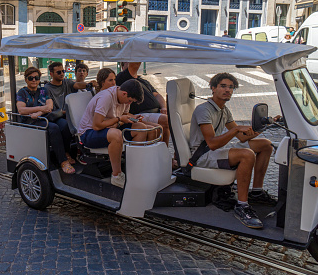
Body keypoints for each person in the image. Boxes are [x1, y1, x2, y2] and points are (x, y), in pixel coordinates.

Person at [190, 73, 276, 229]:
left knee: (265, 145)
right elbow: (212, 143)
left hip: (218, 150)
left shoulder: (224, 110)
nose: (227, 90)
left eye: (231, 87)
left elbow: (243, 138)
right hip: (203, 155)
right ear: (213, 88)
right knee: (247, 155)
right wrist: (236, 129)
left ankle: (256, 192)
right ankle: (242, 206)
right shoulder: (204, 110)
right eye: (223, 86)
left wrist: (265, 126)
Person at [78, 79, 157, 188]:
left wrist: (132, 118)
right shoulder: (106, 97)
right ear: (124, 94)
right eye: (130, 101)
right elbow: (96, 125)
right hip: (88, 133)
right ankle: (117, 175)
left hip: (109, 127)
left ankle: (133, 169)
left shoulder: (124, 98)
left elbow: (122, 116)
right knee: (116, 135)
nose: (129, 103)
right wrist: (119, 119)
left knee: (142, 128)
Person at [16, 67, 75, 174]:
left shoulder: (43, 90)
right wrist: (41, 108)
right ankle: (63, 161)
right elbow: (21, 110)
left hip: (44, 117)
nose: (34, 80)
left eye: (36, 78)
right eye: (31, 78)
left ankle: (66, 152)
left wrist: (39, 112)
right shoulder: (22, 92)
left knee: (65, 125)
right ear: (26, 79)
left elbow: (49, 107)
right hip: (30, 121)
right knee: (54, 128)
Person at [116, 62, 170, 145]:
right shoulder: (123, 79)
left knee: (167, 119)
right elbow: (134, 65)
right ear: (123, 67)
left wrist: (163, 107)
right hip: (141, 114)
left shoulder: (143, 81)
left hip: (155, 112)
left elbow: (157, 95)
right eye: (128, 62)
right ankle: (159, 152)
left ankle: (163, 152)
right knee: (164, 120)